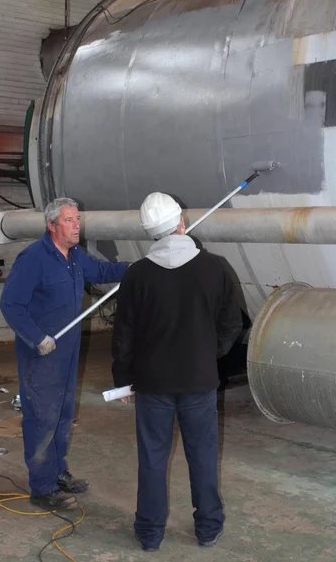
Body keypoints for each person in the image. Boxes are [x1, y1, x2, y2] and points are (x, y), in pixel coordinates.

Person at [111, 192, 242, 551]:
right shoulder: (215, 268)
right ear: (181, 223)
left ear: (150, 233)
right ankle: (208, 528)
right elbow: (232, 324)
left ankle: (150, 533)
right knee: (202, 456)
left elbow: (123, 336)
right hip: (198, 383)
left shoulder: (136, 276)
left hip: (152, 385)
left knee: (152, 458)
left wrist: (122, 381)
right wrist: (207, 354)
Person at [0, 197, 129, 510]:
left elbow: (100, 270)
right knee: (42, 418)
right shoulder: (33, 259)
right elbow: (10, 304)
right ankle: (42, 487)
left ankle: (57, 472)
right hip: (41, 354)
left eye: (77, 220)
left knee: (61, 416)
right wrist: (36, 338)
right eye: (70, 221)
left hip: (67, 351)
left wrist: (136, 269)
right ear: (52, 225)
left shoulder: (74, 257)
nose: (76, 226)